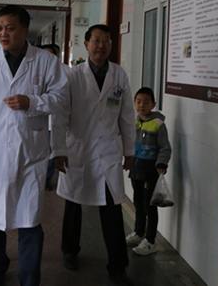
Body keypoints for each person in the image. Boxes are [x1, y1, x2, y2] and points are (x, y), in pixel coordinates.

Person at [0, 5, 68, 286]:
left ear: (24, 30)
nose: (3, 33)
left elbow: (61, 99)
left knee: (30, 218)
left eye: (10, 28)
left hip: (30, 150)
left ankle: (29, 279)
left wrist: (32, 102)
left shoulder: (45, 61)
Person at [53, 24, 136, 286]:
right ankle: (70, 250)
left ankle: (118, 267)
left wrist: (130, 151)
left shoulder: (119, 75)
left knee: (112, 211)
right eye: (96, 40)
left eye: (107, 40)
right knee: (73, 205)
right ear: (87, 44)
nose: (101, 45)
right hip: (78, 150)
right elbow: (60, 116)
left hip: (108, 152)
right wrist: (59, 150)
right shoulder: (73, 76)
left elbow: (127, 116)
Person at [126, 87, 171, 256]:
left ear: (153, 104)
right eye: (138, 102)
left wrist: (162, 163)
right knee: (138, 203)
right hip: (135, 170)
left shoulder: (158, 124)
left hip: (149, 172)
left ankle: (150, 241)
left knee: (149, 206)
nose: (141, 105)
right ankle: (139, 233)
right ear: (134, 103)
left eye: (146, 102)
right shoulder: (134, 122)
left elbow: (165, 147)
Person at [40, 43, 69, 191]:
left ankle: (47, 177)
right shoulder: (36, 70)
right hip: (38, 120)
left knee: (52, 152)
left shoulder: (66, 72)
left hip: (56, 120)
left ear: (57, 56)